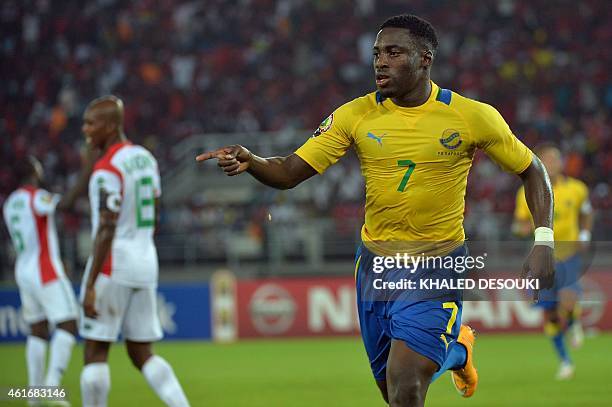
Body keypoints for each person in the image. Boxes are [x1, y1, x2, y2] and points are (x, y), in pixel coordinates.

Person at [196, 14, 555, 407]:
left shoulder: (472, 116)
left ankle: (449, 350)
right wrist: (253, 161)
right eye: (377, 53)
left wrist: (544, 240)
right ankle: (457, 352)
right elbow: (288, 172)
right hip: (375, 266)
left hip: (437, 263)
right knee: (393, 391)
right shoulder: (355, 115)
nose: (380, 62)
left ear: (424, 59)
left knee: (406, 387)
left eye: (393, 52)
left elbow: (532, 169)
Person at [78, 95, 189, 407]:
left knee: (95, 351)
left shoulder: (106, 169)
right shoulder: (145, 158)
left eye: (91, 123)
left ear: (111, 126)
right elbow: (153, 210)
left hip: (113, 264)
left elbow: (106, 227)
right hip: (145, 261)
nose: (86, 130)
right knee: (142, 353)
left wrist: (89, 285)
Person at [3, 150, 94, 395]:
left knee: (38, 330)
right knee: (68, 325)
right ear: (33, 171)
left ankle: (34, 395)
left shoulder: (10, 202)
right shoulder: (36, 197)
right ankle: (51, 388)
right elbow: (64, 205)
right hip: (44, 268)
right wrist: (86, 172)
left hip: (23, 270)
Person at [513, 143, 592, 380]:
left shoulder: (577, 189)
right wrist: (522, 228)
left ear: (561, 163)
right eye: (545, 160)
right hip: (542, 258)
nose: (551, 164)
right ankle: (565, 361)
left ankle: (575, 321)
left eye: (554, 159)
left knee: (568, 300)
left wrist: (585, 234)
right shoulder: (526, 191)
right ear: (538, 164)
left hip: (568, 254)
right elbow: (520, 224)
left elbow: (587, 212)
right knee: (550, 315)